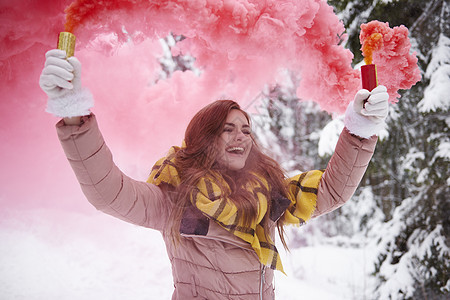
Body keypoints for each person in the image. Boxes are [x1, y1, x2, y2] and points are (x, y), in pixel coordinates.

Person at [39, 49, 389, 299]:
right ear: (204, 138)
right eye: (227, 129)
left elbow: (331, 191)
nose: (241, 136)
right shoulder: (174, 199)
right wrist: (75, 114)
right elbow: (109, 193)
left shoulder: (267, 197)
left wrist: (360, 129)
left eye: (246, 129)